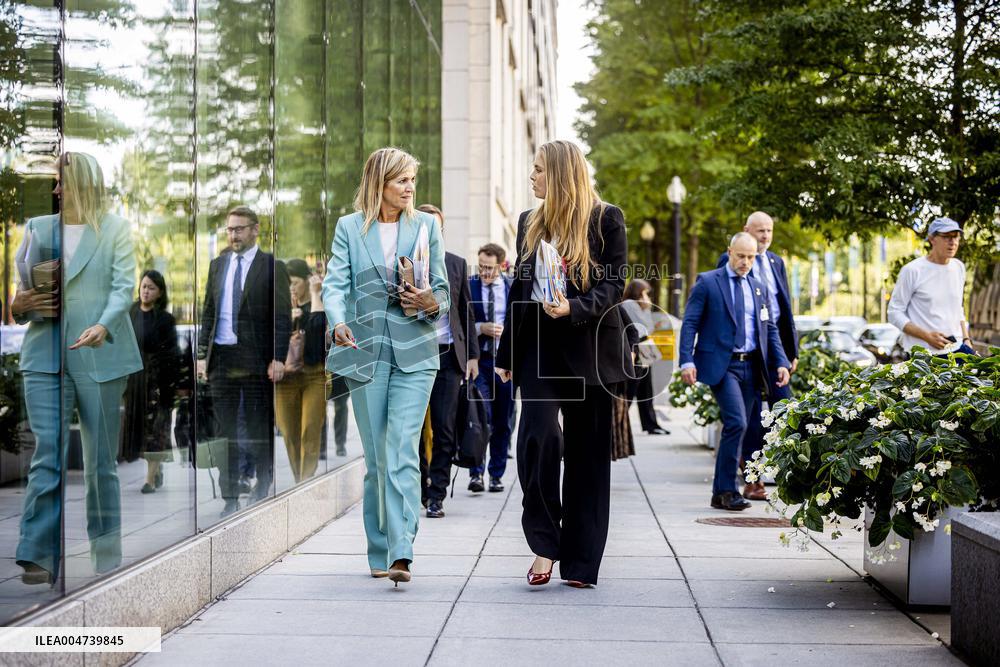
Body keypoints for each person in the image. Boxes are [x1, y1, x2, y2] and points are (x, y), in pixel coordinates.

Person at [495, 140, 632, 588]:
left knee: (589, 457)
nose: (531, 177)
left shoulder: (606, 219)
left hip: (591, 352)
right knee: (539, 437)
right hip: (540, 349)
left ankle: (581, 562)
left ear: (558, 175)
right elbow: (519, 290)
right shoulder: (527, 223)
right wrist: (506, 356)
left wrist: (573, 308)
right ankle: (543, 543)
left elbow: (614, 286)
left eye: (537, 170)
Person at [10, 152, 143, 584]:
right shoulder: (38, 228)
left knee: (99, 460)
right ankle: (37, 554)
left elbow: (125, 287)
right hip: (45, 356)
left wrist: (103, 326)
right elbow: (20, 300)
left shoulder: (116, 230)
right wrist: (21, 304)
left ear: (83, 184)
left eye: (62, 183)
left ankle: (105, 553)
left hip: (101, 355)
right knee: (47, 453)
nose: (55, 190)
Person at [323, 147, 450, 586]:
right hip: (364, 350)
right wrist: (337, 321)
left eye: (413, 180)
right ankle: (379, 549)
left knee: (401, 449)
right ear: (379, 183)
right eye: (401, 181)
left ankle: (402, 551)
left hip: (415, 353)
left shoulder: (427, 225)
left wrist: (430, 301)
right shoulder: (348, 228)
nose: (410, 188)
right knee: (377, 457)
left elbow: (444, 294)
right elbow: (335, 283)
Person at [680, 232, 791, 511]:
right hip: (723, 365)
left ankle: (720, 493)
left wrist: (781, 362)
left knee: (742, 426)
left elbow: (770, 330)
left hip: (752, 366)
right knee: (737, 423)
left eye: (751, 257)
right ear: (730, 252)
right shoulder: (708, 282)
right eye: (741, 255)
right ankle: (729, 490)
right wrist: (686, 360)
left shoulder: (758, 288)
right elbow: (690, 323)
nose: (745, 262)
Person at [197, 205, 291, 518]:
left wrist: (277, 358)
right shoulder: (217, 265)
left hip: (256, 361)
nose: (234, 235)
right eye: (230, 229)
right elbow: (208, 313)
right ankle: (230, 495)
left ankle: (263, 484)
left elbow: (281, 315)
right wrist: (201, 355)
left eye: (239, 229)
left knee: (256, 427)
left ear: (255, 229)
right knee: (226, 432)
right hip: (221, 358)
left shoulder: (271, 266)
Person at [717, 211, 797, 500]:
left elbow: (784, 311)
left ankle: (780, 469)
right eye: (759, 230)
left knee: (785, 409)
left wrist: (789, 353)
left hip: (773, 351)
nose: (765, 236)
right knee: (749, 418)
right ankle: (753, 478)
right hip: (746, 353)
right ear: (746, 230)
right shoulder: (731, 262)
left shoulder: (777, 262)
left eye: (769, 231)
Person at [415, 204, 479, 518]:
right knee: (412, 429)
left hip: (448, 356)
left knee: (444, 429)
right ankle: (421, 488)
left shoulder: (456, 263)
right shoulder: (406, 263)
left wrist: (473, 356)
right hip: (413, 355)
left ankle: (437, 494)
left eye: (435, 227)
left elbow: (466, 310)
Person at [121, 270, 179, 494]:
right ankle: (156, 469)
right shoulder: (130, 313)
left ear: (160, 292)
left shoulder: (165, 319)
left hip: (157, 382)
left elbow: (171, 354)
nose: (145, 291)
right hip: (134, 381)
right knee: (139, 431)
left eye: (151, 288)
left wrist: (171, 386)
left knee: (156, 431)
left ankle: (150, 479)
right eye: (143, 286)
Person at [888, 217, 976, 356]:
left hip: (957, 348)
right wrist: (927, 336)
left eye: (956, 237)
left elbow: (958, 309)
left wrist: (966, 339)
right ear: (932, 239)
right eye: (946, 237)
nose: (952, 242)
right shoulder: (912, 270)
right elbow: (894, 313)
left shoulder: (958, 267)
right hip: (923, 355)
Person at [468, 243, 517, 493]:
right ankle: (476, 473)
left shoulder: (512, 287)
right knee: (480, 417)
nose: (484, 272)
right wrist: (481, 328)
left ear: (501, 265)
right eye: (481, 266)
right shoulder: (470, 285)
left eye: (489, 267)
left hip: (505, 364)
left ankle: (496, 475)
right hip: (480, 362)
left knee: (502, 421)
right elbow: (462, 320)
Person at [274, 258, 328, 483]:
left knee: (309, 431)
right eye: (288, 284)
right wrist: (288, 319)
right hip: (286, 378)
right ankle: (300, 481)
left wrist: (317, 294)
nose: (291, 288)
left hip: (314, 376)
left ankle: (306, 481)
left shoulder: (318, 302)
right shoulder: (281, 307)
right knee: (289, 434)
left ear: (307, 280)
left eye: (295, 282)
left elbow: (317, 331)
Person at [620, 279, 670, 436]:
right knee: (631, 389)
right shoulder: (629, 304)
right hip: (637, 347)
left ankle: (651, 424)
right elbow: (643, 327)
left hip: (645, 347)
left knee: (646, 389)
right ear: (638, 292)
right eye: (645, 293)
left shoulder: (639, 306)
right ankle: (618, 424)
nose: (648, 297)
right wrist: (647, 309)